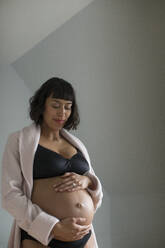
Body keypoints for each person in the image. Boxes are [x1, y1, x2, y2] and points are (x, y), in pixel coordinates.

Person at [1, 77, 103, 248]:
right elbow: (10, 195)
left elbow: (93, 186)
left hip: (84, 234)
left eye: (67, 107)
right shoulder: (19, 141)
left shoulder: (77, 145)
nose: (62, 112)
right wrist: (53, 227)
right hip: (41, 236)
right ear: (42, 106)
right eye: (55, 105)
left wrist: (88, 181)